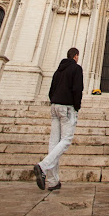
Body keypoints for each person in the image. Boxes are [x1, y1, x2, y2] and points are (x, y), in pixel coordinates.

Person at [33, 47, 83, 191]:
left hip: (55, 106)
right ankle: (42, 166)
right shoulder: (76, 69)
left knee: (54, 142)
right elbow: (77, 89)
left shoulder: (58, 70)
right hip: (67, 107)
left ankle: (53, 181)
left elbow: (51, 90)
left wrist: (54, 101)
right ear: (75, 56)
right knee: (66, 140)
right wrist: (76, 106)